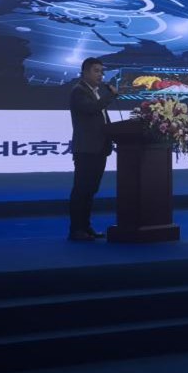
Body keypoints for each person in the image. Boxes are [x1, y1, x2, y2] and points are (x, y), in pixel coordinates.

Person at [67, 57, 117, 241]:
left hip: (99, 148)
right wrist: (111, 95)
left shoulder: (95, 92)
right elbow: (92, 109)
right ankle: (76, 230)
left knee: (90, 191)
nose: (101, 75)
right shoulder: (78, 91)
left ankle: (86, 227)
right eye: (96, 71)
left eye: (102, 71)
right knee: (81, 191)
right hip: (86, 149)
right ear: (85, 72)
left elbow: (101, 118)